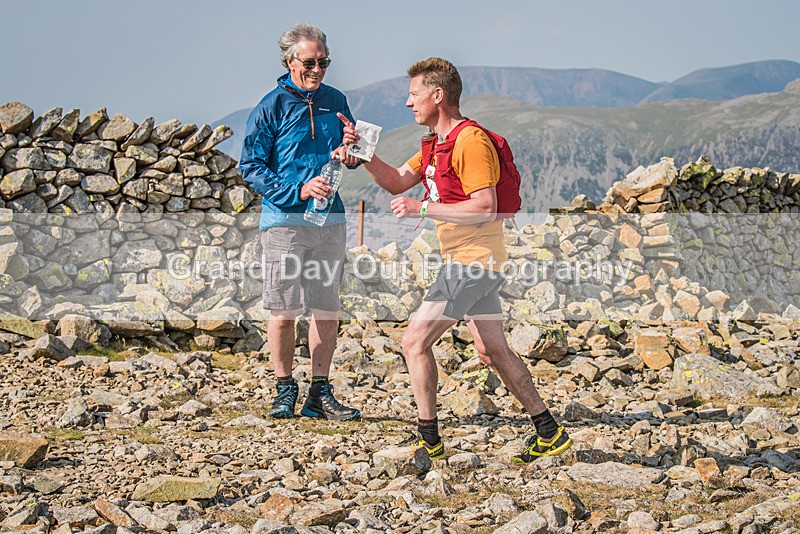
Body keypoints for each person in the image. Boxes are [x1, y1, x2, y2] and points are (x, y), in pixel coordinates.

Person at [341, 57, 572, 461]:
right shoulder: (436, 145)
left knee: (413, 341)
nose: (407, 103)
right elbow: (396, 180)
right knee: (492, 350)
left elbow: (486, 207)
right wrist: (361, 155)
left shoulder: (470, 142)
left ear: (438, 95)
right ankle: (548, 431)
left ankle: (429, 441)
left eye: (414, 95)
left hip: (473, 262)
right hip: (472, 262)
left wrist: (423, 210)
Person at [240, 23, 360, 422]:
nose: (318, 69)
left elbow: (349, 156)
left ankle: (319, 394)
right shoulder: (270, 106)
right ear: (290, 62)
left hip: (332, 219)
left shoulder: (336, 99)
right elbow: (250, 167)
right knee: (284, 309)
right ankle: (284, 389)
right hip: (284, 221)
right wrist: (298, 189)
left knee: (326, 308)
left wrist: (352, 152)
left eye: (324, 62)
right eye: (309, 62)